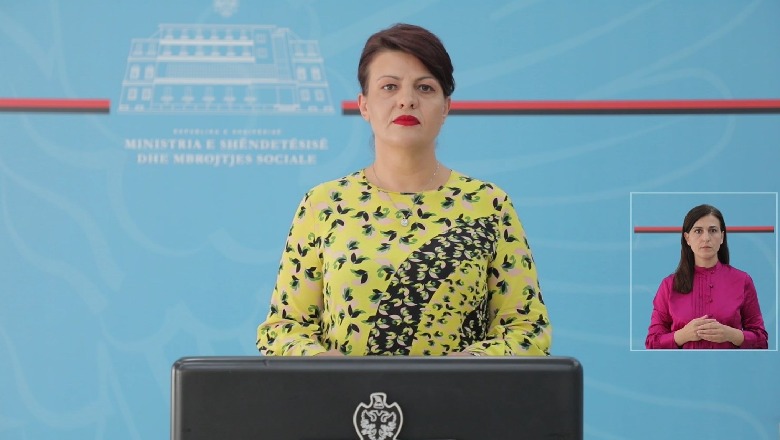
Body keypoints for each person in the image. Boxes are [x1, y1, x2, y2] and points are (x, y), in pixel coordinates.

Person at [256, 23, 551, 356]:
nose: (407, 100)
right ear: (364, 105)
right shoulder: (324, 204)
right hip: (346, 392)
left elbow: (528, 330)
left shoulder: (488, 204)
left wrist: (470, 364)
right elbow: (282, 330)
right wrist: (323, 363)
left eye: (425, 88)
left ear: (446, 106)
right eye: (389, 87)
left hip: (460, 392)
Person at [645, 204, 768, 349]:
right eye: (698, 231)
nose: (706, 238)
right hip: (682, 364)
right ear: (687, 238)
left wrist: (731, 335)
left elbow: (761, 340)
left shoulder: (742, 280)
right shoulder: (669, 285)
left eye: (713, 230)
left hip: (730, 364)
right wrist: (683, 335)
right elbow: (652, 343)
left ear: (722, 237)